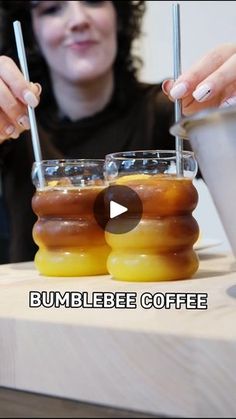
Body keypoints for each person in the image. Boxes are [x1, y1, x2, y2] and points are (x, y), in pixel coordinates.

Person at [0, 1, 235, 264]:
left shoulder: (172, 111)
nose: (78, 19)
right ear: (32, 33)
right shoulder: (12, 129)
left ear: (119, 16)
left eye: (94, 1)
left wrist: (228, 122)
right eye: (52, 9)